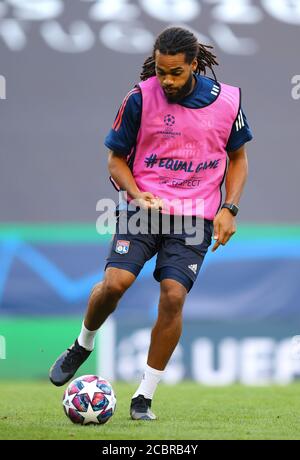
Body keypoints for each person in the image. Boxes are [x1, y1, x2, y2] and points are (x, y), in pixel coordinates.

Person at [49, 26, 252, 420]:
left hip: (195, 214)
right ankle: (83, 344)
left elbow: (239, 158)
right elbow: (115, 159)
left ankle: (144, 396)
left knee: (174, 296)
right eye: (160, 71)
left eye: (175, 72)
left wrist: (230, 207)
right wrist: (136, 193)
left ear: (194, 64)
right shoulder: (140, 97)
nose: (166, 80)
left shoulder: (228, 101)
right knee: (115, 285)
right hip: (145, 207)